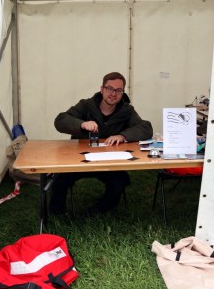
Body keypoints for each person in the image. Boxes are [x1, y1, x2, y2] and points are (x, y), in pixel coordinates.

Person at [49, 72, 153, 216]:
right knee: (60, 180)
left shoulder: (126, 110)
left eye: (118, 90)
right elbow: (60, 120)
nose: (113, 93)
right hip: (80, 159)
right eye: (109, 88)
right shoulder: (86, 105)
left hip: (109, 161)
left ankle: (96, 211)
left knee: (120, 181)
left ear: (122, 92)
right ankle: (57, 213)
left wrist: (123, 136)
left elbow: (146, 128)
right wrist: (82, 124)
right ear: (102, 89)